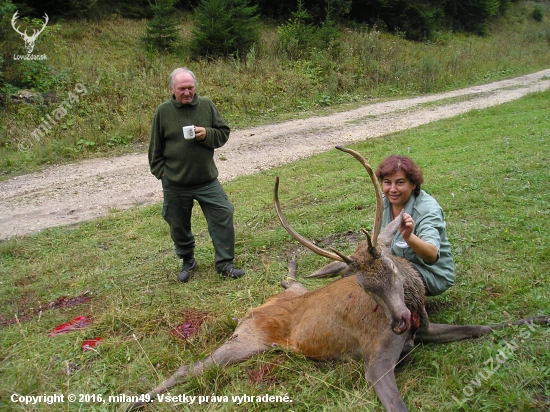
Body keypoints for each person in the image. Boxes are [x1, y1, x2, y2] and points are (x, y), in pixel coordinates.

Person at [149, 67, 245, 283]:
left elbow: (223, 133)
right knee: (178, 224)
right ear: (172, 89)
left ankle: (225, 264)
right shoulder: (163, 112)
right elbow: (154, 149)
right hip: (175, 182)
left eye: (190, 88)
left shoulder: (206, 105)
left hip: (206, 180)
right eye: (182, 88)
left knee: (223, 213)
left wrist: (207, 134)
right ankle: (188, 261)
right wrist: (162, 173)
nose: (187, 92)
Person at [375, 155, 454, 296]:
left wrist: (409, 237)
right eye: (387, 182)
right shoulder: (384, 202)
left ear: (413, 184)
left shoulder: (428, 210)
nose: (392, 189)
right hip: (395, 264)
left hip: (430, 273)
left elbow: (431, 255)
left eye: (400, 183)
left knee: (383, 278)